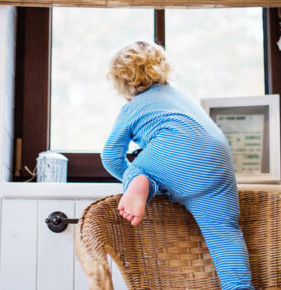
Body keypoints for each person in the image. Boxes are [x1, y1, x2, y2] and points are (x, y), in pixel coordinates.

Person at [100, 40, 254, 289]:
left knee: (141, 170)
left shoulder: (130, 109)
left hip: (174, 149)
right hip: (217, 159)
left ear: (120, 81)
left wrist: (131, 178)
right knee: (225, 234)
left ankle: (141, 182)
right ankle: (239, 286)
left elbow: (110, 156)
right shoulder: (181, 97)